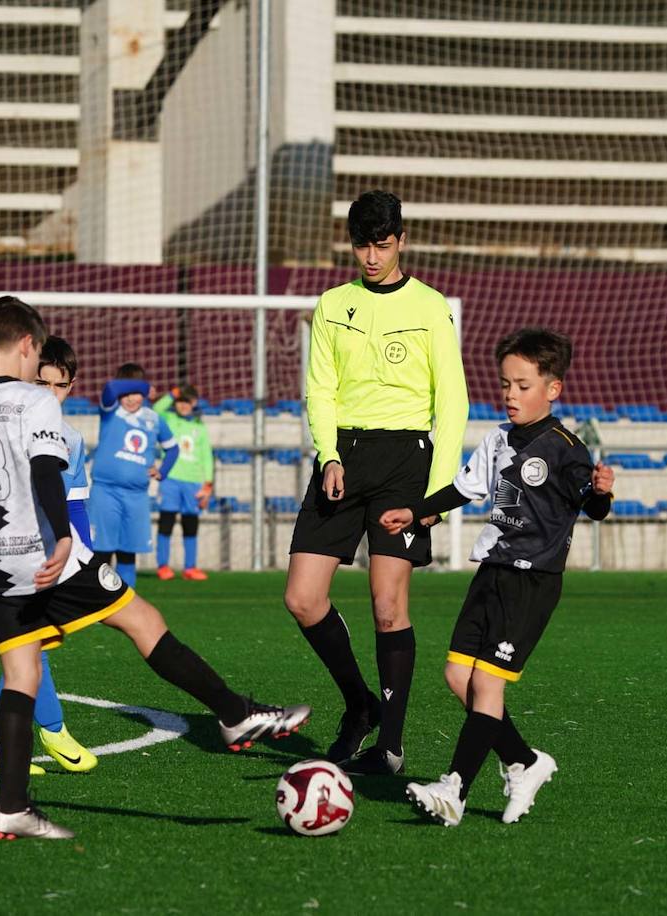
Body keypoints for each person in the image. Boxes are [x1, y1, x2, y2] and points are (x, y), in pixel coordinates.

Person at [0, 296, 308, 840]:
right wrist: (62, 535)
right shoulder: (34, 400)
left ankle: (10, 806)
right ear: (28, 345)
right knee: (143, 621)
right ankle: (235, 713)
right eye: (37, 357)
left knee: (21, 676)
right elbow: (49, 473)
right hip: (50, 557)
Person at [378, 327, 614, 826]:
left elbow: (590, 505)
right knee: (457, 676)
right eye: (505, 383)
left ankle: (454, 788)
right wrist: (416, 512)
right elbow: (465, 489)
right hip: (491, 570)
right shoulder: (499, 439)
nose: (510, 394)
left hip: (532, 581)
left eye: (523, 385)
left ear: (553, 389)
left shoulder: (565, 448)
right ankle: (525, 762)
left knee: (487, 685)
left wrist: (602, 493)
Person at [284, 189, 469, 776]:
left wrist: (438, 495)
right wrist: (329, 453)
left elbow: (454, 401)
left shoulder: (430, 306)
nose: (370, 256)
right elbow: (320, 388)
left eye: (382, 245)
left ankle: (389, 747)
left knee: (388, 607)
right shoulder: (332, 304)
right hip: (343, 459)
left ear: (402, 242)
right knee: (302, 598)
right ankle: (359, 705)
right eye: (362, 245)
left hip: (405, 461)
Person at [0, 337, 98, 775]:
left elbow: (74, 505)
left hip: (49, 561)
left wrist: (83, 558)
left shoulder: (71, 439)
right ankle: (53, 731)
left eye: (60, 385)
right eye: (42, 382)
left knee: (29, 650)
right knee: (31, 650)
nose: (50, 393)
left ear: (72, 386)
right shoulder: (0, 426)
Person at [88, 362, 178, 589]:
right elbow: (109, 388)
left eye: (136, 393)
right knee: (102, 552)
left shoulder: (154, 419)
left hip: (137, 496)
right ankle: (99, 604)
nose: (130, 399)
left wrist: (162, 470)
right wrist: (144, 386)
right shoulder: (110, 411)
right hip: (105, 492)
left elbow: (173, 449)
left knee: (128, 552)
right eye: (126, 393)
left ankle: (126, 603)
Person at [152, 384, 214, 580]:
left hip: (193, 482)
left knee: (190, 524)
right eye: (180, 401)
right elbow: (155, 410)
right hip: (170, 480)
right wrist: (173, 393)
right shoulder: (168, 419)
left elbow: (206, 456)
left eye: (187, 401)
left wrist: (208, 483)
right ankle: (163, 566)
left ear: (194, 403)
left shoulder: (199, 427)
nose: (183, 405)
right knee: (166, 522)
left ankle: (190, 567)